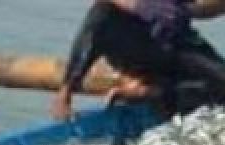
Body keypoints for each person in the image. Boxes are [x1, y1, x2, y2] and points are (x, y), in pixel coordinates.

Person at [52, 0, 225, 121]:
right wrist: (140, 5)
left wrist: (186, 10)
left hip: (172, 35)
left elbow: (214, 6)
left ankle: (152, 92)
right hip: (133, 39)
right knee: (102, 13)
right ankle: (66, 91)